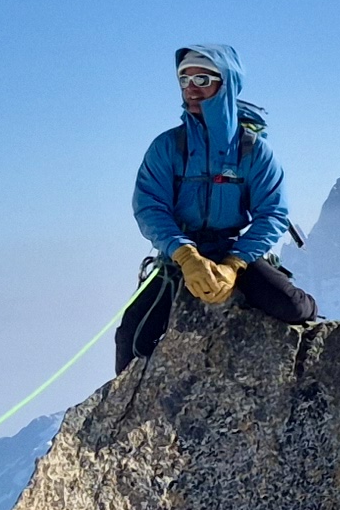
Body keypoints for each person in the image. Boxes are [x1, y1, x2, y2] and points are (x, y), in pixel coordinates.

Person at [118, 42, 320, 366]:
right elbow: (149, 205)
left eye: (202, 80)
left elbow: (274, 212)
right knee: (131, 336)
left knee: (294, 308)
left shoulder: (253, 150)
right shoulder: (168, 147)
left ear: (226, 84)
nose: (191, 90)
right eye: (185, 80)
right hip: (180, 258)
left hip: (233, 250)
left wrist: (235, 264)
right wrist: (184, 254)